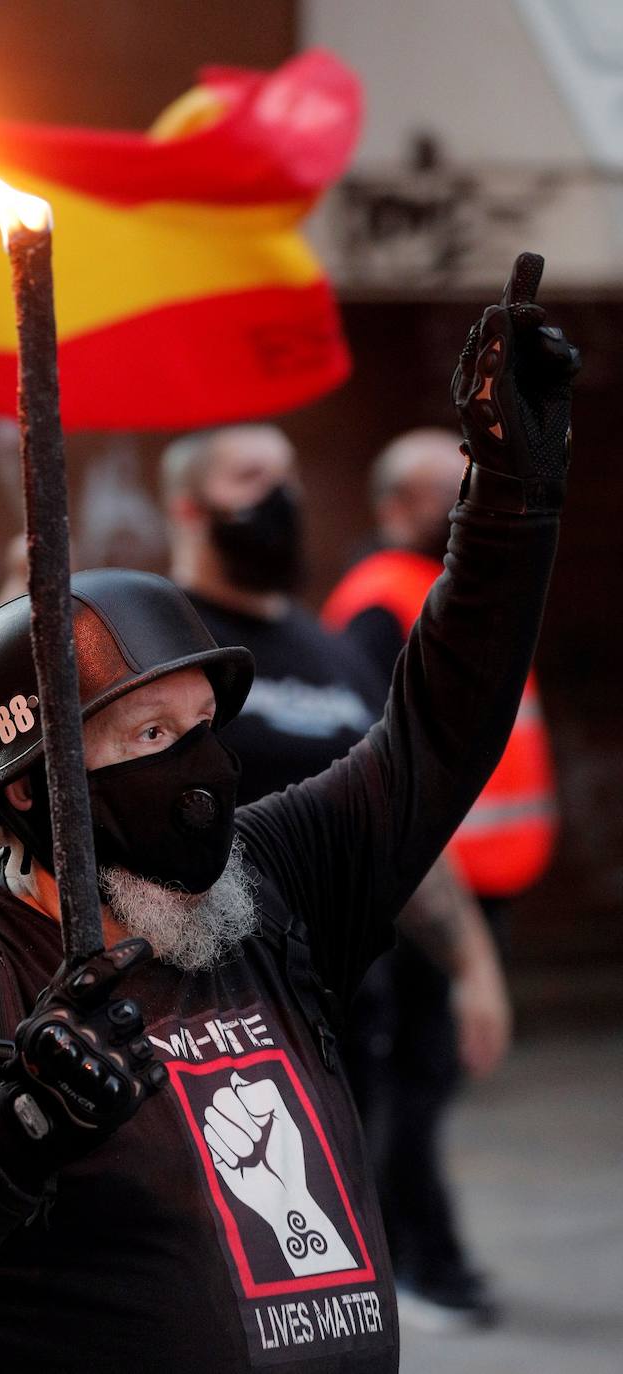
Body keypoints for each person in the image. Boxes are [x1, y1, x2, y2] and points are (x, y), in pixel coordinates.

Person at [0, 257, 577, 1372]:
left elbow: (435, 733)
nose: (199, 769)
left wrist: (511, 499)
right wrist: (17, 1129)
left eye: (202, 726)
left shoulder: (271, 889)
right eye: (148, 738)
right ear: (28, 790)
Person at [162, 421, 514, 1322]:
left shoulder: (338, 655)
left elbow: (393, 822)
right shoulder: (158, 648)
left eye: (290, 475)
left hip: (346, 1008)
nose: (280, 496)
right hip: (207, 1012)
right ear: (190, 506)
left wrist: (472, 963)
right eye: (251, 476)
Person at [323, 425, 560, 1326]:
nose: (466, 501)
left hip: (478, 885)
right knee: (411, 1086)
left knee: (427, 1084)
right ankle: (415, 1265)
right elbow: (386, 763)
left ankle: (429, 1257)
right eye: (443, 488)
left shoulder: (453, 589)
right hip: (427, 893)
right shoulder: (382, 601)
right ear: (393, 505)